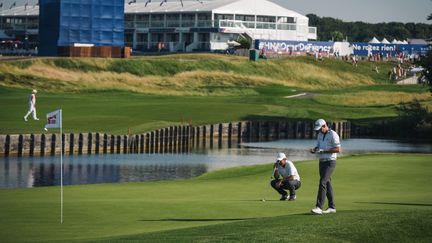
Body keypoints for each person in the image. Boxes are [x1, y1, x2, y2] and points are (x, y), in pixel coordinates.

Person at [310, 119, 341, 214]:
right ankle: (332, 207)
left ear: (325, 125)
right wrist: (314, 149)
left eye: (320, 129)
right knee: (327, 183)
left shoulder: (333, 134)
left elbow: (338, 149)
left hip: (330, 162)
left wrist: (324, 151)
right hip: (322, 161)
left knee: (322, 182)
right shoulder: (319, 135)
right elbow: (318, 146)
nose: (318, 131)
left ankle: (319, 207)